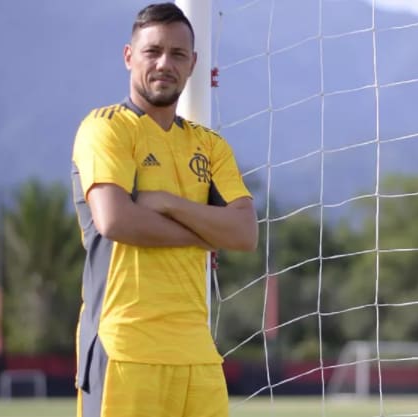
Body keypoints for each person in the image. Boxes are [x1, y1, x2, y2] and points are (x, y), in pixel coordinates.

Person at [71, 3, 258, 417]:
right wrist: (205, 234)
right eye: (152, 51)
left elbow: (244, 234)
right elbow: (116, 220)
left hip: (198, 354)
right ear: (128, 56)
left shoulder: (210, 146)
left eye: (177, 54)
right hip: (124, 349)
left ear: (192, 64)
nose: (164, 64)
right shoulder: (107, 128)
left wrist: (169, 205)